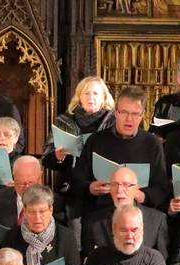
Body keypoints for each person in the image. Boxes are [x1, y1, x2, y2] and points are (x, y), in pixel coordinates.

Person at [72, 86, 169, 214]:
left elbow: (162, 189)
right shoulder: (95, 140)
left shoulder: (152, 144)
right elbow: (76, 181)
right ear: (115, 112)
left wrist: (142, 196)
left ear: (142, 115)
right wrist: (90, 188)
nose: (129, 119)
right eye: (124, 112)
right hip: (101, 210)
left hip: (138, 213)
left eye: (135, 114)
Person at [42, 76, 115, 233]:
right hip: (72, 188)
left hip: (105, 187)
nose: (91, 97)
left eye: (95, 93)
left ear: (104, 97)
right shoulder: (64, 121)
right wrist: (58, 156)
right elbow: (46, 159)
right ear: (79, 97)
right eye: (86, 93)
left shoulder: (113, 122)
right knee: (74, 230)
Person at [81, 165, 169, 259]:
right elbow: (88, 261)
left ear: (136, 188)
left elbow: (162, 261)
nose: (119, 190)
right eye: (115, 185)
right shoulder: (93, 222)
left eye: (126, 185)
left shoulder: (157, 220)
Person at [0, 156, 44, 236]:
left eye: (31, 182)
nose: (27, 188)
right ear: (14, 178)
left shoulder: (54, 202)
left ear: (40, 177)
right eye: (21, 183)